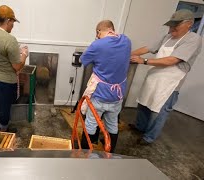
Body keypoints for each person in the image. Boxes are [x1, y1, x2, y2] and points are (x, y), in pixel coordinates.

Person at [130, 9, 202, 145]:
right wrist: (126, 54)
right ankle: (140, 127)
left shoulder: (193, 39)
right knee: (144, 104)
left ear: (189, 24)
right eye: (171, 25)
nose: (172, 28)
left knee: (159, 111)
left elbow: (172, 60)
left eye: (176, 25)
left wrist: (143, 61)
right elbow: (148, 48)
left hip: (169, 83)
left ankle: (149, 137)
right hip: (154, 77)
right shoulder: (168, 36)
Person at [80, 20, 131, 153]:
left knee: (91, 122)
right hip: (117, 96)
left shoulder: (97, 44)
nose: (97, 37)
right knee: (112, 123)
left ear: (99, 31)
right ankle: (110, 151)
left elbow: (83, 60)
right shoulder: (126, 41)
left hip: (100, 95)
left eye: (97, 34)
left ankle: (85, 151)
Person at [0, 5, 29, 132]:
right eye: (13, 22)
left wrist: (14, 52)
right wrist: (24, 55)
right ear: (8, 21)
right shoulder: (10, 40)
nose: (13, 26)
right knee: (5, 106)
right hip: (5, 81)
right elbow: (17, 66)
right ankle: (3, 130)